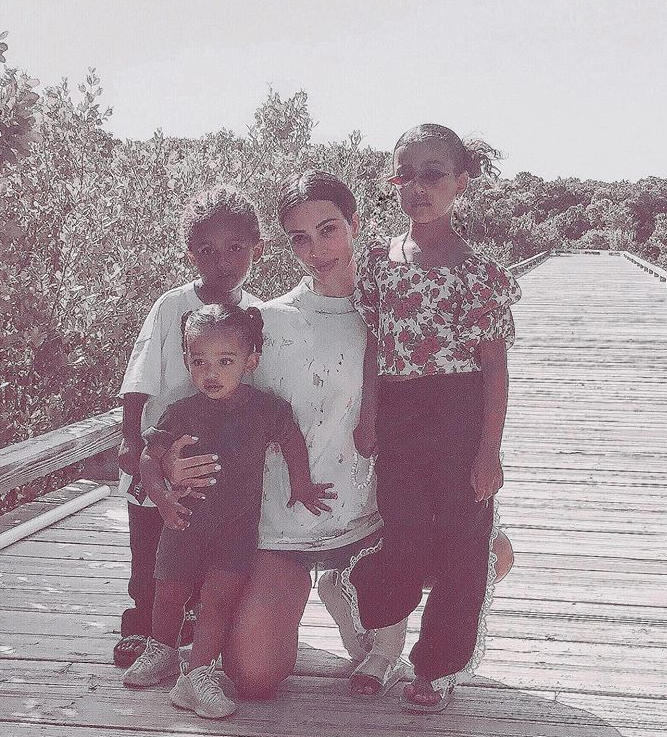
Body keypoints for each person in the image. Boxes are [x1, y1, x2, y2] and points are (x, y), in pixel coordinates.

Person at [156, 170, 516, 702]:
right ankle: (304, 598)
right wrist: (168, 463)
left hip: (374, 524)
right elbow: (204, 406)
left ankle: (354, 598)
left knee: (491, 553)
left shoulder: (396, 315)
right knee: (253, 676)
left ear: (354, 224)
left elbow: (451, 402)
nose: (316, 249)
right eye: (299, 238)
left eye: (328, 229)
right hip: (283, 530)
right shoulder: (264, 323)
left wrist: (484, 472)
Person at [343, 124, 522, 713]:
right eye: (406, 175)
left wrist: (488, 451)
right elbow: (374, 345)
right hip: (399, 417)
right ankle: (377, 612)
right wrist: (369, 416)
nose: (418, 187)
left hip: (460, 415)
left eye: (433, 175)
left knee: (463, 546)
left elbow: (494, 369)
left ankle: (439, 665)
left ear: (461, 183)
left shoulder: (481, 273)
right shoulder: (380, 262)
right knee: (403, 534)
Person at [123, 304, 333, 720]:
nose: (211, 373)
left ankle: (197, 675)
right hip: (183, 521)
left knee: (216, 602)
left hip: (235, 530)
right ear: (187, 360)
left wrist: (302, 485)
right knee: (169, 592)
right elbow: (150, 457)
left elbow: (291, 440)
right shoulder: (182, 411)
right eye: (199, 361)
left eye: (225, 361)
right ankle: (162, 649)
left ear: (250, 361)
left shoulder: (266, 409)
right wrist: (162, 500)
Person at [114, 185, 264, 667]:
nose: (223, 262)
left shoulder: (255, 313)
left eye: (235, 248)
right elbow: (139, 378)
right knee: (151, 546)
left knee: (201, 539)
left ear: (257, 248)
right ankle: (142, 625)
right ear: (190, 254)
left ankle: (191, 622)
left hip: (213, 460)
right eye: (208, 251)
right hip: (159, 453)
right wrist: (130, 440)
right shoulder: (170, 306)